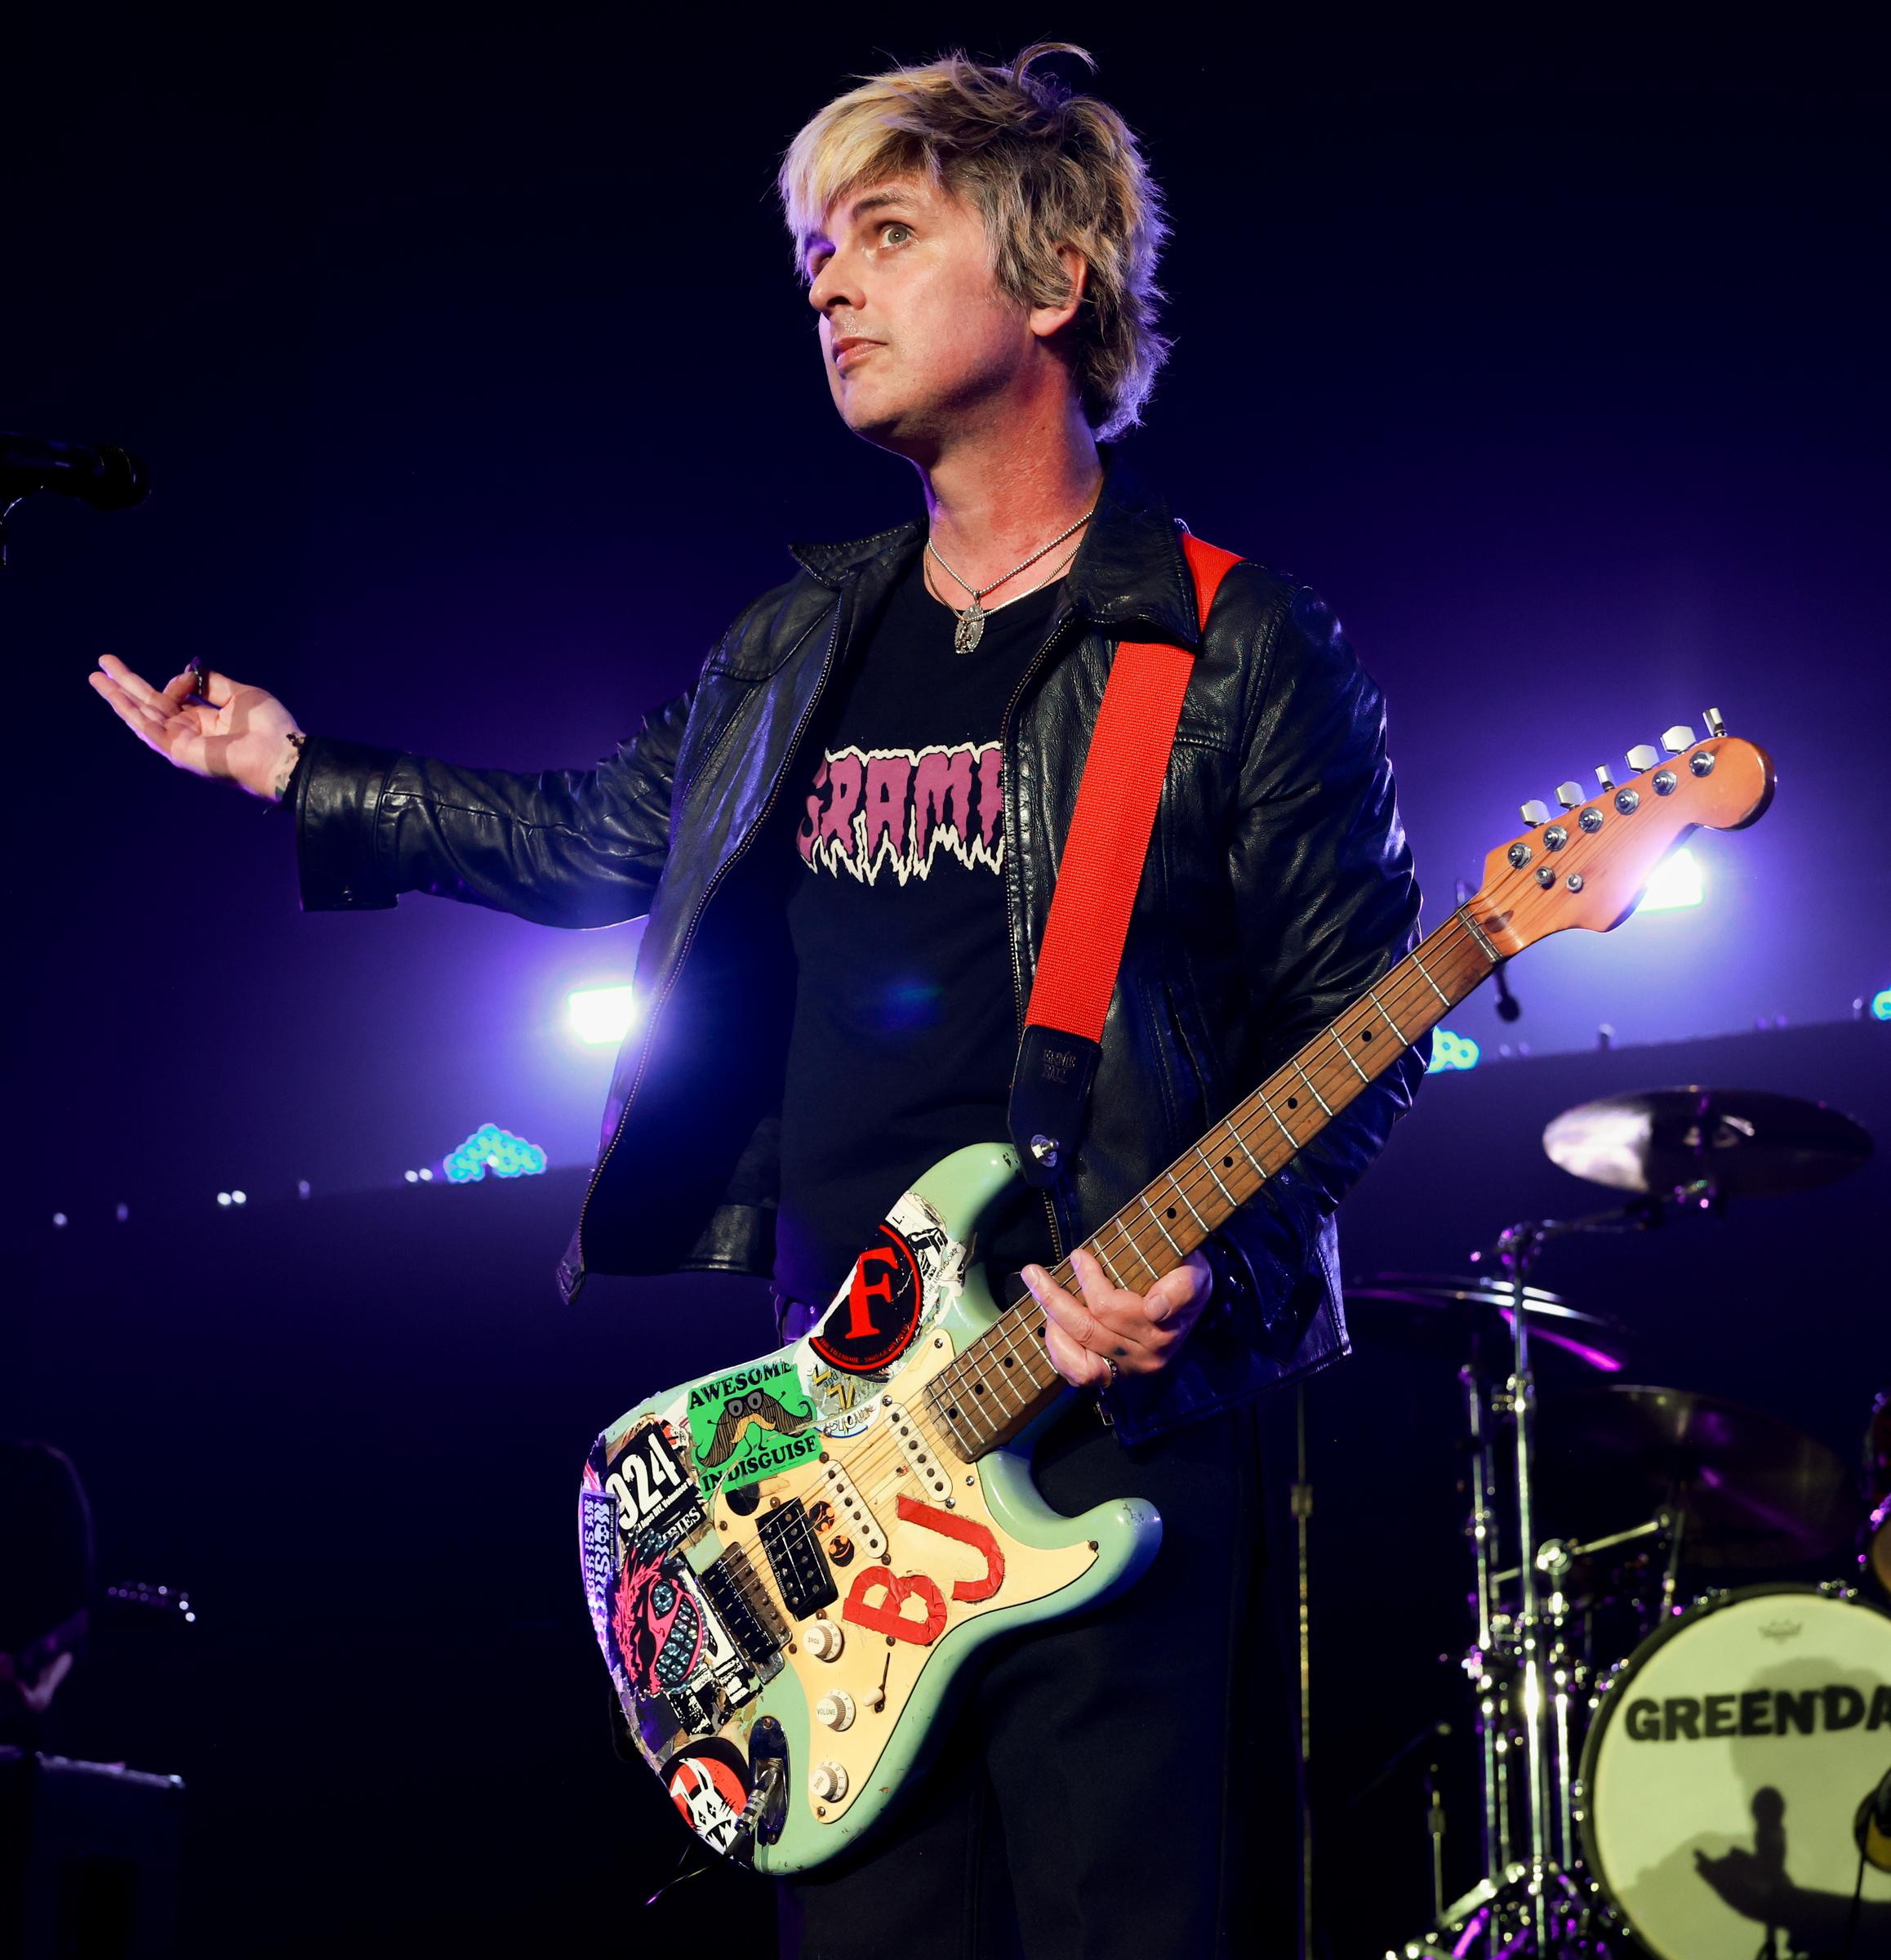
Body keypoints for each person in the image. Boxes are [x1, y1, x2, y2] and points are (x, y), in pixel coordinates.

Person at [90, 44, 1422, 1957]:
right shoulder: (802, 636)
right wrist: (302, 772)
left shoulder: (1231, 642)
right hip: (831, 1446)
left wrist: (1221, 1260)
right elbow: (595, 838)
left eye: (886, 233)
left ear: (1054, 282)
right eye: (815, 254)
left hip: (1105, 1422)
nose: (830, 286)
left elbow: (1354, 1019)